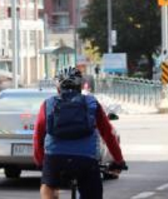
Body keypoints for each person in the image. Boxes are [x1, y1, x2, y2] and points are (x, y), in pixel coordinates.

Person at [34, 67, 126, 199]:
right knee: (92, 193)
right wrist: (118, 160)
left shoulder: (48, 104)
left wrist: (40, 161)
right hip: (85, 160)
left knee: (48, 187)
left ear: (57, 87)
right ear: (81, 86)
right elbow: (108, 134)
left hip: (55, 158)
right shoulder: (92, 103)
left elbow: (38, 135)